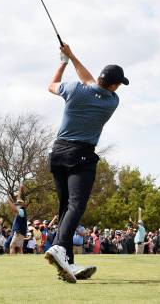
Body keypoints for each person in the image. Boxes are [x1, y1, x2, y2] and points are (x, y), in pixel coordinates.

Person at [45, 43, 128, 283]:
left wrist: (64, 61)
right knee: (76, 205)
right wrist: (71, 56)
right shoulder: (112, 101)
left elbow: (51, 86)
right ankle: (60, 247)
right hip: (81, 155)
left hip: (57, 152)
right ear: (113, 85)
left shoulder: (74, 89)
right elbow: (91, 80)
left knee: (64, 208)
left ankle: (67, 263)